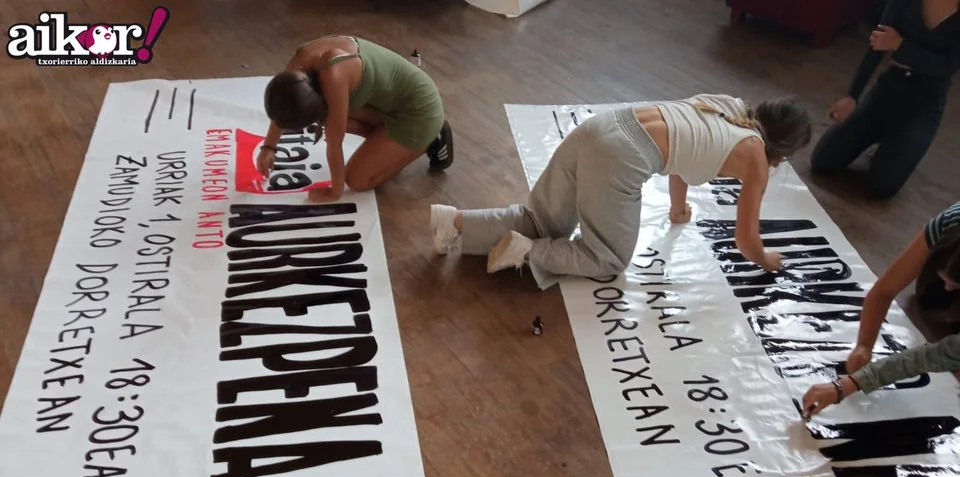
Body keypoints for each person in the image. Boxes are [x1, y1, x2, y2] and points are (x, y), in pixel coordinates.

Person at [429, 94, 812, 290]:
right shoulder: (755, 157)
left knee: (541, 220)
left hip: (602, 126)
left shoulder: (730, 107)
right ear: (784, 150)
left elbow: (686, 152)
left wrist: (678, 210)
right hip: (619, 157)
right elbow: (746, 241)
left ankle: (454, 223)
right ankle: (528, 252)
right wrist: (767, 260)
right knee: (608, 258)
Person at [801, 199, 960, 417]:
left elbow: (939, 354)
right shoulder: (950, 222)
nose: (948, 287)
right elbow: (884, 290)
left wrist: (849, 384)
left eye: (956, 284)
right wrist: (864, 345)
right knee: (932, 300)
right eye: (946, 278)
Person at [257, 35, 453, 202]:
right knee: (338, 118)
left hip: (419, 112)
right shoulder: (297, 69)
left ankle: (430, 140)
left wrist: (335, 191)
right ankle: (388, 145)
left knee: (357, 180)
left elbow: (334, 144)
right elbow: (285, 103)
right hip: (393, 104)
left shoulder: (334, 76)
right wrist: (269, 147)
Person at [810, 0, 960, 200]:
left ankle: (893, 145)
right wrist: (852, 96)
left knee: (880, 187)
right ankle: (882, 137)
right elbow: (877, 45)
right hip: (886, 91)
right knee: (823, 160)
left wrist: (900, 45)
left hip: (925, 105)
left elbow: (947, 67)